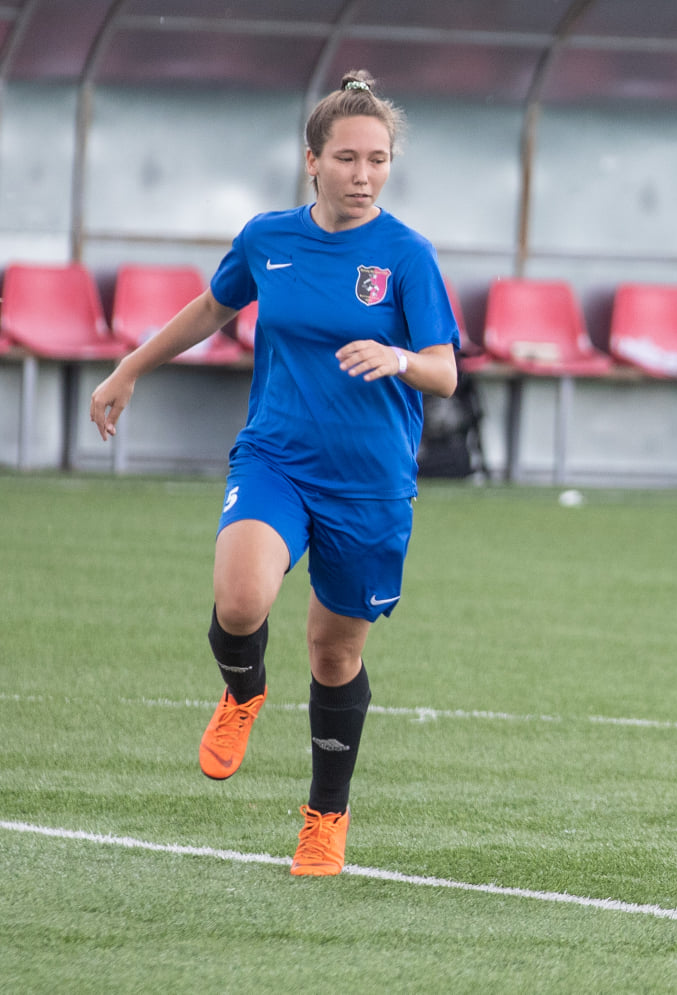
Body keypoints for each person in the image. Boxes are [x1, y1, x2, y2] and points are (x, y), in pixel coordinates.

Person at [89, 70, 460, 874]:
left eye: (378, 160)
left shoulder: (406, 255)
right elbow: (213, 307)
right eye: (347, 158)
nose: (363, 175)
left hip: (369, 483)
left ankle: (325, 816)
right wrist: (130, 366)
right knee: (240, 598)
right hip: (276, 457)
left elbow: (445, 371)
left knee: (333, 655)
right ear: (311, 161)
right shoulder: (268, 238)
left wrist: (398, 357)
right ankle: (243, 690)